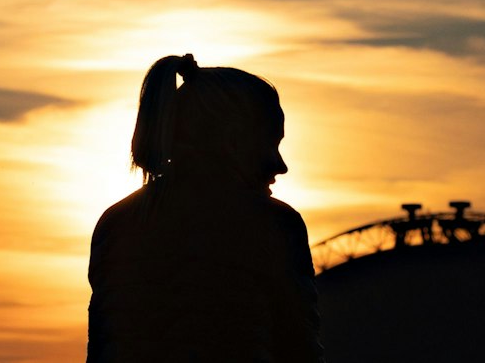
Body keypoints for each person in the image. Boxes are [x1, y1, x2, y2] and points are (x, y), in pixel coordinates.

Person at [86, 54, 322, 362]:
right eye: (271, 144)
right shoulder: (274, 224)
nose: (281, 165)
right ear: (233, 142)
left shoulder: (116, 222)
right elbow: (299, 348)